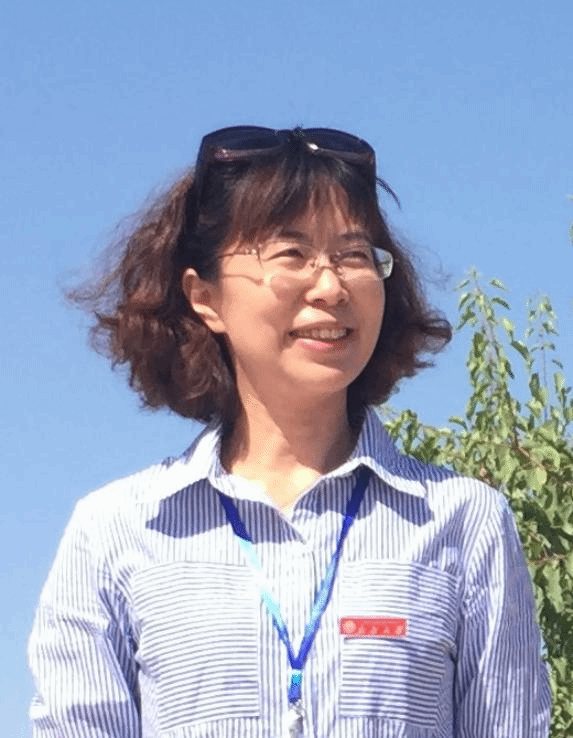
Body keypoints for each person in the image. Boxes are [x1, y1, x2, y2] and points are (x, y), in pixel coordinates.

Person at [28, 126, 551, 738]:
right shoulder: (116, 532)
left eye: (354, 255)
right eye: (291, 255)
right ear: (205, 296)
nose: (329, 286)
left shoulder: (463, 522)